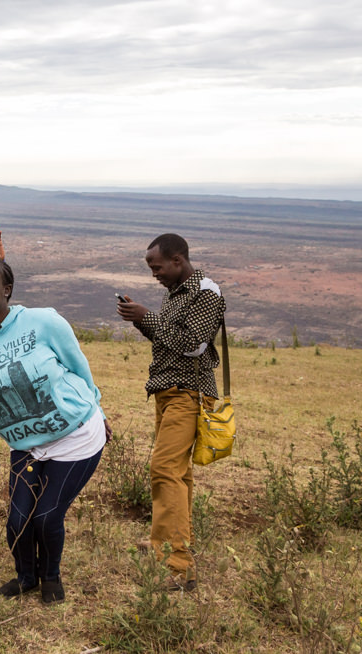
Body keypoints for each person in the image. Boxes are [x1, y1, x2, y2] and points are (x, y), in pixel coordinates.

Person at [0, 258, 109, 604]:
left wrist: (98, 409)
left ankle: (50, 577)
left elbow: (78, 366)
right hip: (26, 445)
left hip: (75, 436)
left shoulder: (42, 321)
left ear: (7, 290)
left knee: (45, 517)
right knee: (16, 522)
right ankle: (26, 576)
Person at [116, 233, 226, 591]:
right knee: (177, 473)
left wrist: (148, 316)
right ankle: (167, 542)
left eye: (157, 267)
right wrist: (142, 321)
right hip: (169, 391)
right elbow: (171, 342)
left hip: (188, 393)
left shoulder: (206, 292)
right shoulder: (178, 292)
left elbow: (193, 346)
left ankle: (179, 568)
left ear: (178, 261)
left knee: (165, 470)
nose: (154, 274)